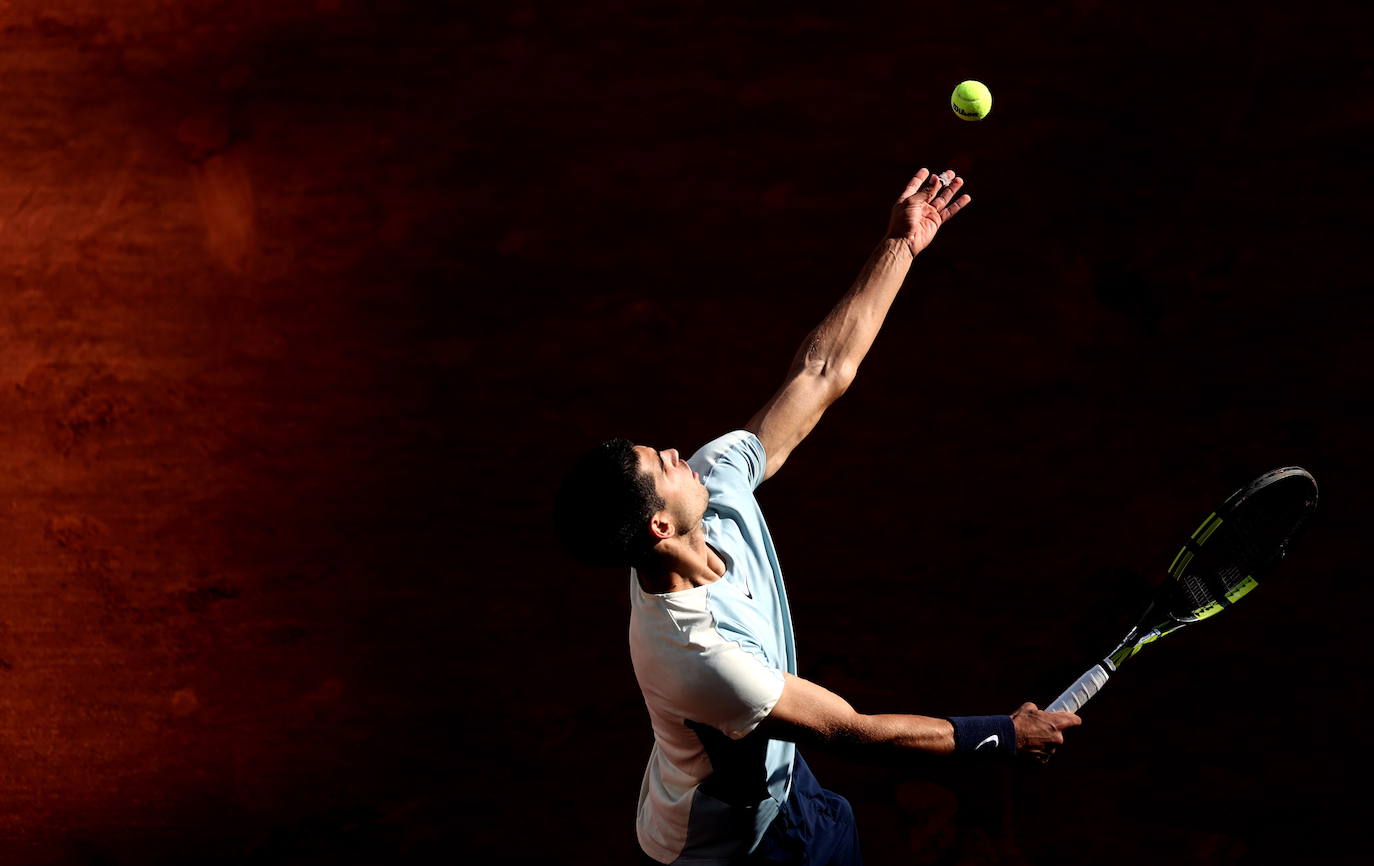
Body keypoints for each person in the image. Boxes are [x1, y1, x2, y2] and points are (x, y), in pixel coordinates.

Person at [554, 169, 1081, 865]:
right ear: (658, 525)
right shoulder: (700, 657)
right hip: (735, 848)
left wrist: (901, 244)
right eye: (662, 464)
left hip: (783, 783)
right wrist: (1003, 735)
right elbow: (851, 730)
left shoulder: (712, 488)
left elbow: (821, 369)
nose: (680, 453)